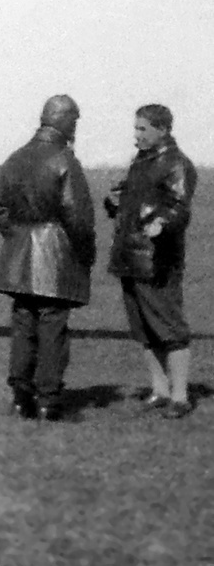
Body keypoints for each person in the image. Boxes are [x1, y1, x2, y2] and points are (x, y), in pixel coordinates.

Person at [0, 95, 96, 421]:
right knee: (52, 327)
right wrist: (85, 252)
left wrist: (19, 237)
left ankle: (21, 394)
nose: (76, 128)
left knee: (24, 323)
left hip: (19, 257)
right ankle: (49, 399)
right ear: (63, 120)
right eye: (74, 121)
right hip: (54, 256)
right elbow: (77, 217)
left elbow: (1, 212)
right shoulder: (65, 160)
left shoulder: (15, 159)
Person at [105, 104, 199, 419]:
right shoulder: (140, 162)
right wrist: (114, 199)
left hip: (158, 261)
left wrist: (162, 223)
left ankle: (180, 396)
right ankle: (159, 390)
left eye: (142, 129)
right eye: (136, 128)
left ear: (162, 129)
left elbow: (178, 207)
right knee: (144, 330)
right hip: (130, 257)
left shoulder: (176, 164)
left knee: (170, 329)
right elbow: (130, 197)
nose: (136, 134)